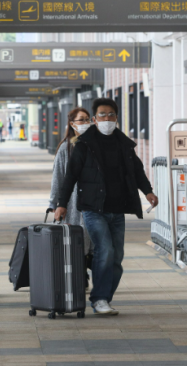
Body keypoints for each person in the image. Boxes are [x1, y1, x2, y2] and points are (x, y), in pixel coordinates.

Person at [55, 98, 158, 315]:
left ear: (117, 118)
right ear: (94, 119)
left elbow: (137, 170)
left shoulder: (124, 144)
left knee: (117, 257)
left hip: (117, 208)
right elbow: (70, 177)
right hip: (93, 209)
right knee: (105, 250)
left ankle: (104, 297)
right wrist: (61, 204)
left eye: (111, 114)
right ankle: (99, 299)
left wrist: (147, 191)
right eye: (102, 114)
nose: (107, 118)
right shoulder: (83, 144)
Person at [49, 107, 94, 256]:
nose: (86, 122)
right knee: (76, 245)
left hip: (93, 204)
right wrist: (54, 204)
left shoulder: (94, 145)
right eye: (82, 119)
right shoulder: (66, 148)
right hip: (72, 204)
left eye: (88, 119)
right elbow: (58, 178)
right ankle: (77, 276)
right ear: (72, 123)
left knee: (93, 246)